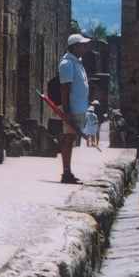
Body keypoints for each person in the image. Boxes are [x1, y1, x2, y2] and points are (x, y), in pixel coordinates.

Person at [57, 32, 92, 184]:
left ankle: (68, 172)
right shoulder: (67, 64)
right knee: (68, 139)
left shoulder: (77, 62)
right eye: (82, 45)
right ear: (75, 47)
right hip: (73, 108)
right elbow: (65, 89)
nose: (85, 47)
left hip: (79, 107)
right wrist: (67, 111)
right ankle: (66, 172)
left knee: (71, 139)